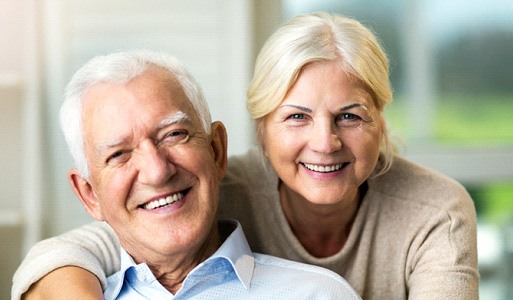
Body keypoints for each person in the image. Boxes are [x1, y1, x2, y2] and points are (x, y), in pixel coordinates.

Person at [13, 12, 479, 299]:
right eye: (296, 116)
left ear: (381, 117)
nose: (325, 142)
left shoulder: (433, 212)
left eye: (351, 116)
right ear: (261, 128)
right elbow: (86, 245)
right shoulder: (205, 187)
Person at [11, 49, 361, 300]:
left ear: (217, 151)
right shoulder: (66, 289)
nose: (157, 170)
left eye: (174, 135)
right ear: (89, 194)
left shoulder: (318, 294)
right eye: (119, 154)